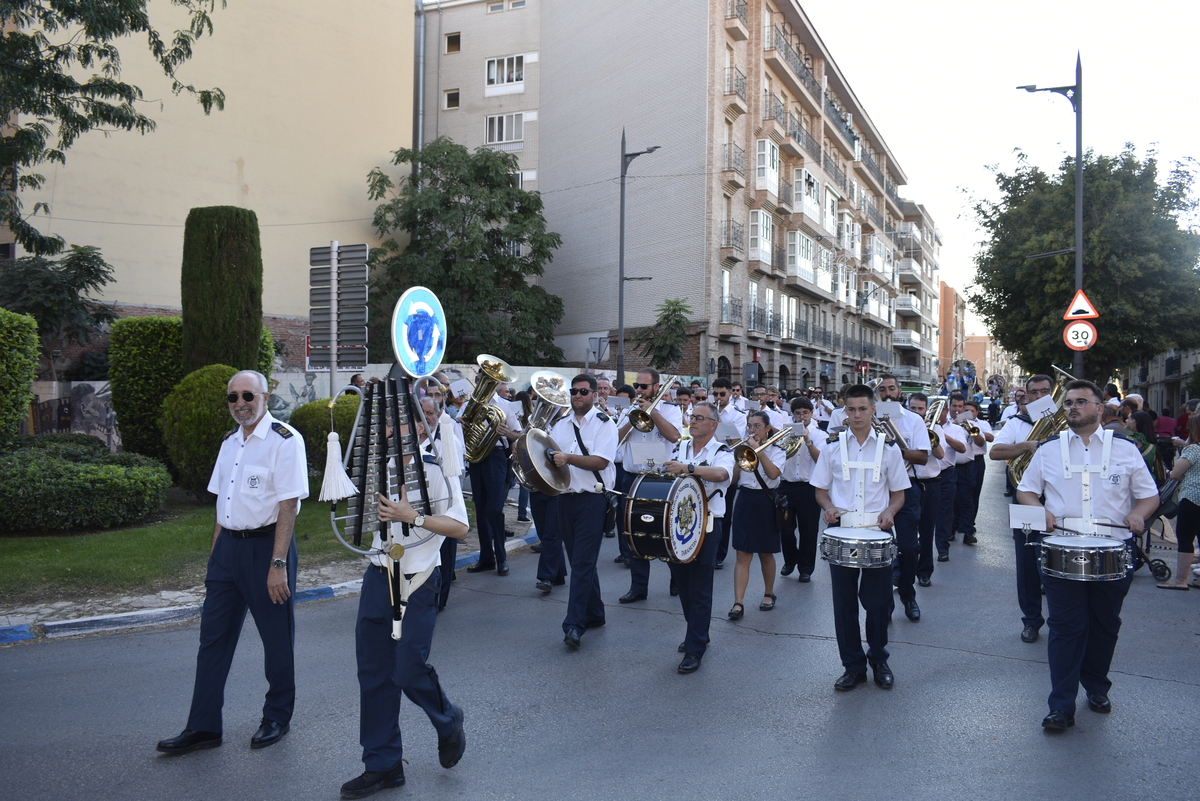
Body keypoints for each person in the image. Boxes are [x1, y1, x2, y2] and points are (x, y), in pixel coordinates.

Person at [157, 370, 308, 755]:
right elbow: (221, 506)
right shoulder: (229, 444)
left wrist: (278, 564)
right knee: (212, 642)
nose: (240, 404)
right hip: (227, 553)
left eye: (247, 396)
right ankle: (203, 727)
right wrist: (214, 560)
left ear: (265, 398)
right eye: (233, 398)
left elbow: (288, 505)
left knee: (276, 641)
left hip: (266, 550)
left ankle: (277, 717)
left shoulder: (284, 442)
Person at [340, 395, 469, 799]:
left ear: (418, 427)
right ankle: (383, 764)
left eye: (402, 425)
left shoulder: (436, 468)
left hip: (419, 580)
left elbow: (460, 528)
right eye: (388, 426)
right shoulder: (379, 468)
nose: (393, 432)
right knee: (374, 674)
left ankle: (448, 719)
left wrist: (412, 516)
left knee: (408, 669)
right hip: (379, 577)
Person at [1016, 380, 1158, 731]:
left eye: (1081, 402)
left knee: (1104, 624)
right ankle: (1061, 705)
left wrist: (1140, 513)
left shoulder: (1125, 449)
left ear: (1099, 408)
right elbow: (1026, 491)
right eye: (1068, 404)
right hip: (1061, 548)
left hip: (1114, 548)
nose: (1073, 408)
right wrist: (1039, 511)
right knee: (1066, 627)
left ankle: (1096, 685)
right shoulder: (1049, 450)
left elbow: (1149, 495)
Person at [810, 384, 910, 691]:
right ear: (844, 411)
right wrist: (827, 508)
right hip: (842, 531)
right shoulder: (831, 447)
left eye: (862, 409)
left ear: (873, 410)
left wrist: (891, 512)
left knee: (878, 604)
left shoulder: (889, 449)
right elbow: (820, 490)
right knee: (844, 604)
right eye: (851, 409)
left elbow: (898, 494)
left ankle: (879, 659)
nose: (856, 415)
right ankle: (852, 665)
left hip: (877, 532)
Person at [658, 402, 734, 672]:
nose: (694, 421)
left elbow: (722, 474)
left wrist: (688, 469)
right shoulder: (682, 446)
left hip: (708, 525)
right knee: (682, 582)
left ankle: (694, 649)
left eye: (700, 418)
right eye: (692, 417)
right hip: (680, 525)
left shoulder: (722, 450)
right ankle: (697, 631)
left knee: (700, 586)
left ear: (713, 425)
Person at [549, 374, 617, 649]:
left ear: (594, 395)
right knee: (580, 561)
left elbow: (600, 461)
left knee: (582, 562)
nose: (577, 396)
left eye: (583, 391)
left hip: (593, 499)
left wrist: (568, 458)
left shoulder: (605, 424)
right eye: (574, 391)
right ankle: (596, 613)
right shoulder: (561, 425)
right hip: (565, 498)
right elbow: (548, 457)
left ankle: (574, 624)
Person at [989, 374, 1052, 643]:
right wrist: (1026, 446)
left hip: (1059, 501)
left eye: (1044, 392)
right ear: (1025, 396)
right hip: (1026, 497)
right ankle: (1032, 620)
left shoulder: (1067, 422)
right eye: (1033, 392)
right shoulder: (1017, 422)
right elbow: (995, 452)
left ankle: (1062, 619)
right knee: (1027, 561)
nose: (1038, 397)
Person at [617, 369, 682, 604]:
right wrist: (633, 417)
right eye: (638, 386)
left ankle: (677, 579)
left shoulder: (671, 409)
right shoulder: (628, 408)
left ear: (656, 387)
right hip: (632, 477)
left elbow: (674, 436)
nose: (640, 390)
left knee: (665, 530)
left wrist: (651, 412)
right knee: (633, 532)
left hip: (660, 479)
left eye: (644, 386)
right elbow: (615, 439)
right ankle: (638, 587)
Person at [873, 375, 932, 621]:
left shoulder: (913, 420)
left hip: (907, 487)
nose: (887, 393)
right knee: (881, 550)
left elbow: (922, 457)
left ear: (899, 392)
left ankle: (908, 595)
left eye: (891, 388)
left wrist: (895, 447)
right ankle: (884, 601)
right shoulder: (870, 418)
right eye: (882, 390)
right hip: (877, 490)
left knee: (908, 548)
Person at [727, 410, 785, 620]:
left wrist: (758, 451)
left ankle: (769, 593)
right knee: (742, 553)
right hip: (745, 500)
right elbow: (733, 480)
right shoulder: (743, 449)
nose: (752, 430)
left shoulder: (777, 450)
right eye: (749, 426)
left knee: (765, 553)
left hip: (766, 501)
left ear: (767, 429)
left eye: (757, 426)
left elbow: (773, 474)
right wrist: (736, 459)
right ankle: (738, 602)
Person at [464, 372, 520, 577]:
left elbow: (518, 433)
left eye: (487, 381)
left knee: (495, 509)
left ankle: (501, 558)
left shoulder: (505, 405)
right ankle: (486, 557)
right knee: (480, 508)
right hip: (477, 458)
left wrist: (505, 432)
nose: (483, 385)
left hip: (496, 457)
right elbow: (461, 431)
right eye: (480, 381)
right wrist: (461, 424)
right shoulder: (469, 404)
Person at [778, 397, 828, 582]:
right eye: (797, 414)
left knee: (809, 530)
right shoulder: (786, 431)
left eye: (805, 413)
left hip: (809, 488)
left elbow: (821, 461)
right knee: (785, 528)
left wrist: (807, 440)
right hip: (786, 485)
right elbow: (779, 455)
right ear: (793, 414)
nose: (801, 417)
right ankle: (790, 561)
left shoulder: (819, 434)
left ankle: (806, 568)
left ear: (811, 413)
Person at [905, 393, 946, 588]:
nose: (917, 412)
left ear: (926, 410)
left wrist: (929, 436)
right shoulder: (903, 426)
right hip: (909, 483)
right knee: (906, 533)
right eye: (913, 408)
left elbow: (940, 454)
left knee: (927, 530)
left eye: (920, 409)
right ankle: (903, 571)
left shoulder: (935, 427)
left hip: (931, 484)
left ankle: (924, 571)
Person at [1157, 414, 1200, 590]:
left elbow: (1175, 473)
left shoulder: (1193, 450)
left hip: (1192, 498)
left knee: (1185, 538)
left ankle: (1180, 580)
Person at [963, 400, 994, 540]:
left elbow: (990, 437)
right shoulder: (957, 423)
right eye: (966, 411)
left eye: (971, 411)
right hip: (961, 463)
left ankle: (969, 525)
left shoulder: (982, 424)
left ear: (976, 412)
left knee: (973, 495)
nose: (968, 413)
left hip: (977, 461)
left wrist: (976, 430)